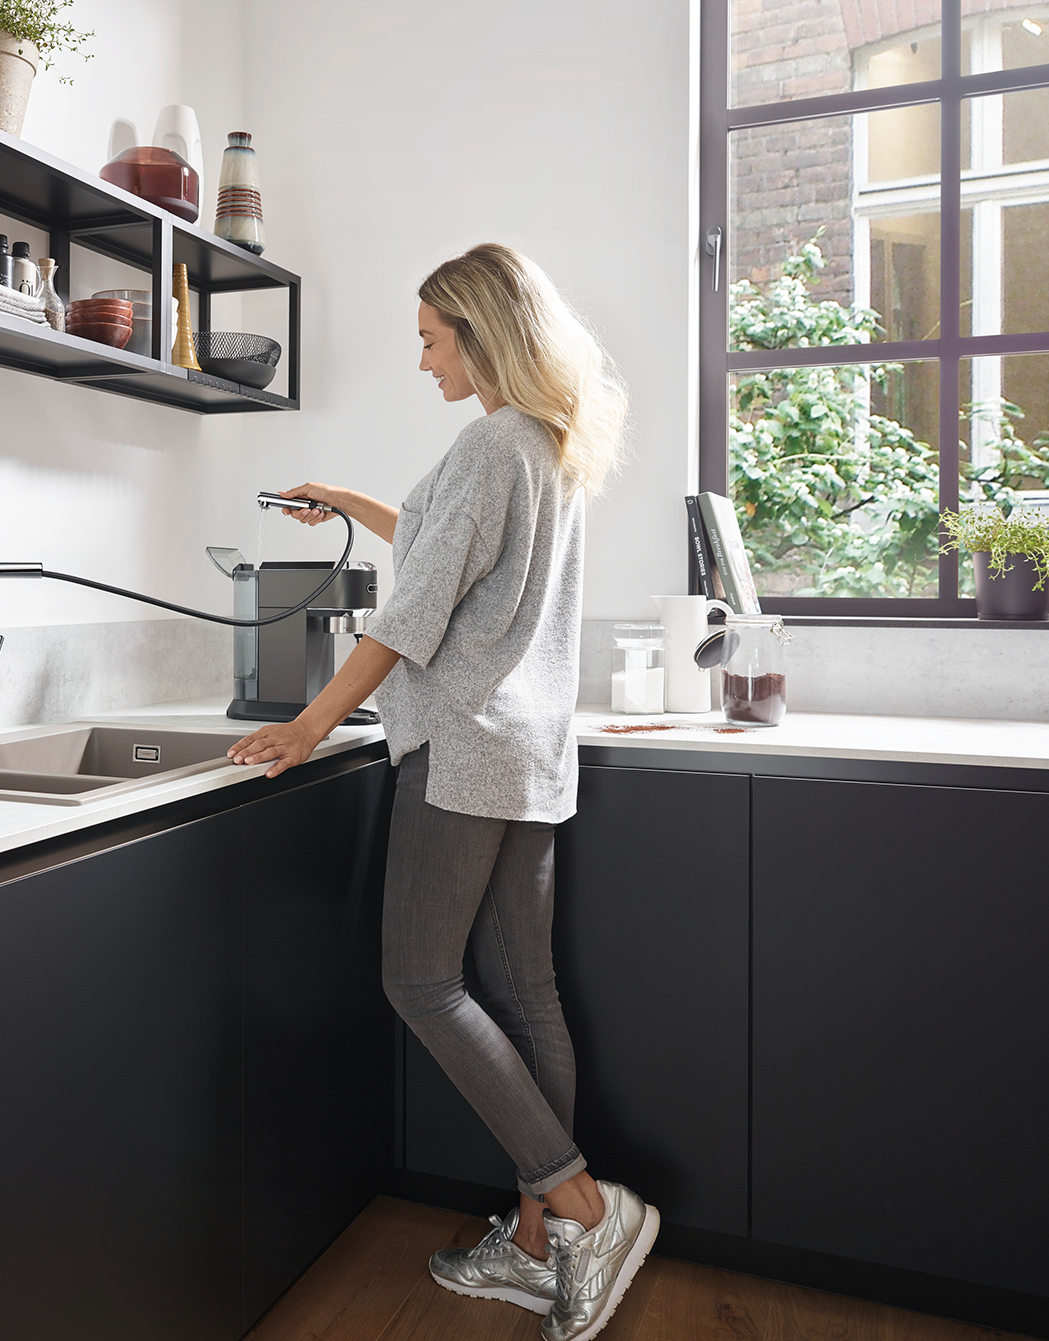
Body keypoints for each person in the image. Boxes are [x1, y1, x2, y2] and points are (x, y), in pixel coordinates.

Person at [226, 243, 654, 1341]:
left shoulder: (489, 444)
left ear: (479, 330)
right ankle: (532, 1244)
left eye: (430, 337)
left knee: (421, 980)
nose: (421, 360)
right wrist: (342, 499)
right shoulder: (547, 448)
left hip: (461, 751)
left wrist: (309, 724)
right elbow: (437, 552)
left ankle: (582, 1209)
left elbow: (410, 615)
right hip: (526, 754)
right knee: (524, 992)